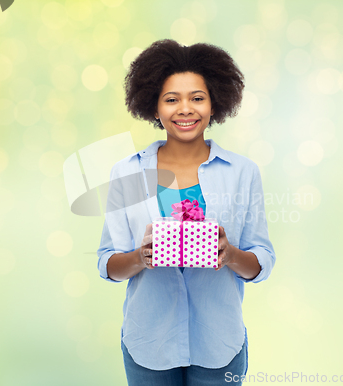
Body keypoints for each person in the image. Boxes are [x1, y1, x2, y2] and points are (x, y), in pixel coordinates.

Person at [97, 39, 276, 386]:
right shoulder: (127, 173)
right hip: (148, 344)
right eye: (171, 99)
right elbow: (108, 262)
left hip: (219, 344)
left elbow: (262, 259)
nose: (185, 109)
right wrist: (140, 257)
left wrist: (230, 254)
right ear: (153, 106)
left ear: (214, 103)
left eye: (197, 97)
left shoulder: (241, 172)